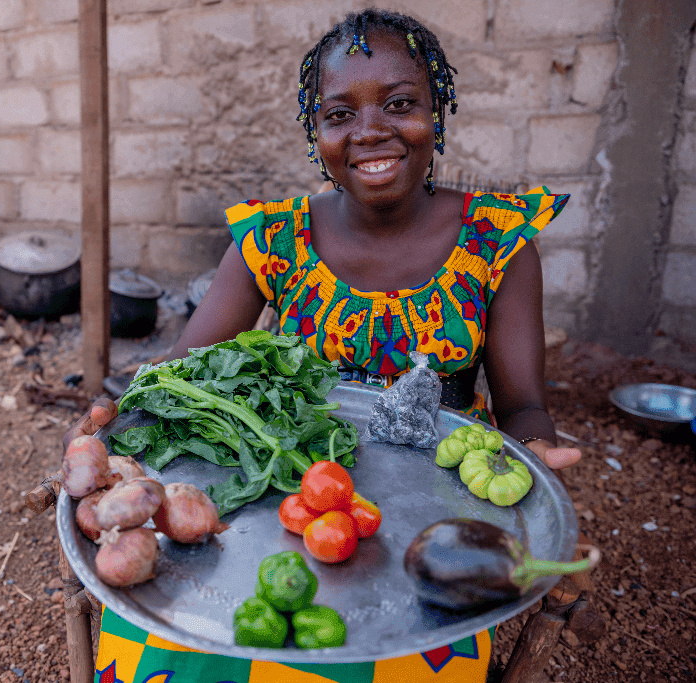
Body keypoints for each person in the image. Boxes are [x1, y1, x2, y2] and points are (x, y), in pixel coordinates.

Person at [65, 8, 582, 682]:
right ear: (316, 132)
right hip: (284, 486)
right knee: (187, 627)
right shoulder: (275, 238)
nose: (370, 131)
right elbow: (185, 367)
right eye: (340, 114)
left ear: (437, 112)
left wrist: (533, 450)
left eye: (400, 104)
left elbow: (522, 405)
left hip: (430, 508)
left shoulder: (495, 241)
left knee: (398, 646)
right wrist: (116, 418)